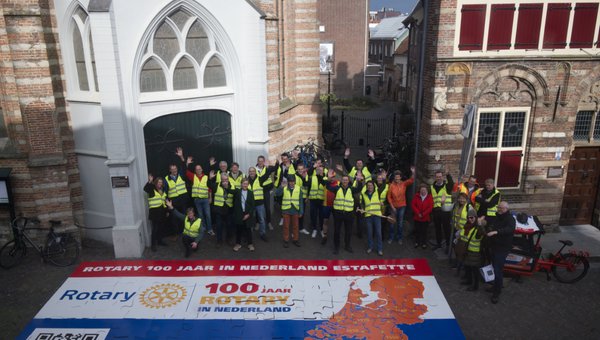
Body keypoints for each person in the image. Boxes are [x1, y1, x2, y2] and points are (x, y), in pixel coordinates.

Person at [325, 169, 363, 254]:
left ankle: (347, 246)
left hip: (349, 214)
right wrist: (329, 178)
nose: (345, 181)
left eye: (346, 180)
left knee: (348, 231)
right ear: (341, 181)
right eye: (343, 180)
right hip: (338, 214)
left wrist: (359, 180)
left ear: (348, 181)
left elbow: (359, 188)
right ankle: (336, 247)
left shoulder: (352, 189)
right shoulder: (336, 188)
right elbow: (327, 186)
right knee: (337, 231)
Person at [485, 201, 515, 304]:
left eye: (502, 208)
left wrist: (496, 232)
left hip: (502, 248)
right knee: (494, 267)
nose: (500, 209)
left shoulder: (510, 218)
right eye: (499, 207)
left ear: (506, 208)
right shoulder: (497, 217)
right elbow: (492, 226)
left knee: (498, 270)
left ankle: (496, 293)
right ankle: (496, 287)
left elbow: (509, 229)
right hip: (494, 246)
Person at [185, 154, 214, 237]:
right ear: (195, 170)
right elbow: (186, 172)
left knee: (208, 215)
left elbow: (209, 188)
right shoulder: (193, 177)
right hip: (197, 200)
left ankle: (210, 229)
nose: (198, 170)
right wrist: (187, 163)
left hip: (205, 199)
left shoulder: (206, 177)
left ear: (202, 169)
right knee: (200, 215)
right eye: (197, 169)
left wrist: (210, 197)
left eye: (199, 169)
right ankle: (203, 228)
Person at [386, 166, 415, 245]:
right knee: (392, 223)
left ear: (400, 177)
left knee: (400, 223)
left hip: (402, 206)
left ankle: (399, 238)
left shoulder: (403, 184)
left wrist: (413, 172)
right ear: (394, 178)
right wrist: (392, 206)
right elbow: (389, 196)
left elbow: (412, 180)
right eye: (396, 178)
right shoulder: (391, 185)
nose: (397, 179)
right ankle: (391, 237)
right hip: (393, 207)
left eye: (398, 178)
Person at [248, 163, 276, 242]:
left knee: (261, 219)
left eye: (253, 171)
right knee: (250, 218)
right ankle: (249, 234)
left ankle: (262, 233)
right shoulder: (246, 180)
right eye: (250, 171)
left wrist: (270, 166)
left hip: (259, 203)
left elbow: (267, 174)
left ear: (255, 172)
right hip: (251, 203)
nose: (252, 173)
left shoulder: (260, 179)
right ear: (248, 172)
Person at [459, 208, 485, 292]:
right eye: (469, 218)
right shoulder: (467, 225)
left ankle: (475, 286)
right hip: (467, 250)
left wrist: (480, 224)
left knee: (475, 270)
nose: (470, 219)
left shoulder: (478, 227)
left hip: (475, 252)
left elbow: (482, 233)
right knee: (467, 267)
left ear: (475, 217)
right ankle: (469, 281)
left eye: (472, 217)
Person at [166, 147, 189, 234]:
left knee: (184, 216)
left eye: (175, 169)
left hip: (183, 199)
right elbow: (165, 191)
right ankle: (176, 233)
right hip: (174, 201)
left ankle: (186, 231)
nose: (174, 170)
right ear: (170, 170)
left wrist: (181, 156)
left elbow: (184, 166)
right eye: (172, 169)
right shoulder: (166, 179)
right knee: (174, 217)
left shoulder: (181, 175)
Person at [276, 175, 304, 247]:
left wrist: (301, 211)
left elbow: (301, 201)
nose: (292, 183)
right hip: (286, 210)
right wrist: (281, 187)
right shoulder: (284, 187)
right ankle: (286, 240)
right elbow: (277, 194)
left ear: (295, 181)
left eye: (293, 181)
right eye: (290, 181)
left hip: (295, 210)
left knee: (295, 226)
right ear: (288, 182)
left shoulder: (298, 188)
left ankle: (295, 239)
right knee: (286, 226)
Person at [207, 171, 234, 246]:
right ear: (221, 180)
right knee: (219, 226)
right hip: (219, 210)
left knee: (229, 226)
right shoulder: (216, 185)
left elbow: (235, 196)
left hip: (229, 210)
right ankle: (219, 241)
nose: (225, 181)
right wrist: (210, 178)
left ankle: (229, 239)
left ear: (228, 179)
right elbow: (208, 184)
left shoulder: (232, 186)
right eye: (223, 180)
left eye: (226, 180)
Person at [430, 169, 454, 250]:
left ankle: (448, 245)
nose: (439, 178)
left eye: (440, 177)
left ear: (442, 177)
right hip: (436, 211)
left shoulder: (446, 186)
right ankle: (439, 243)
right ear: (435, 178)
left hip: (445, 211)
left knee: (447, 229)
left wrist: (448, 175)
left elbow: (451, 183)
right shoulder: (432, 187)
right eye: (437, 177)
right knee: (437, 228)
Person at [143, 174, 168, 251]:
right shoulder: (152, 190)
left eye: (161, 182)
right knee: (155, 229)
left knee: (161, 228)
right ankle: (153, 245)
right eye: (158, 182)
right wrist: (150, 181)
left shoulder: (163, 190)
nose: (160, 183)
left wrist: (167, 211)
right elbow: (145, 188)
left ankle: (160, 241)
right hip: (154, 212)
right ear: (156, 183)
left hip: (162, 211)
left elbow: (164, 201)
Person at [231, 178, 255, 252]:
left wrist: (248, 214)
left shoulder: (251, 193)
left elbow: (252, 205)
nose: (245, 185)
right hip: (239, 214)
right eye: (244, 183)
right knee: (239, 230)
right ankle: (238, 244)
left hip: (247, 214)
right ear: (241, 184)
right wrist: (225, 183)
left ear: (248, 185)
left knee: (248, 230)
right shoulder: (237, 192)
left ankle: (250, 244)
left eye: (246, 184)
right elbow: (229, 190)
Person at [360, 180, 384, 256]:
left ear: (373, 186)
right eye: (368, 186)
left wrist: (383, 179)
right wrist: (362, 209)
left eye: (371, 185)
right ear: (367, 187)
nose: (370, 187)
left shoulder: (378, 192)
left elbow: (383, 186)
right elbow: (362, 204)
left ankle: (380, 249)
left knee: (378, 233)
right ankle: (370, 247)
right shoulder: (364, 194)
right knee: (369, 233)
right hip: (368, 216)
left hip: (377, 215)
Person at [306, 159, 327, 239]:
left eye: (321, 170)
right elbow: (308, 184)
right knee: (313, 215)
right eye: (318, 170)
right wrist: (307, 196)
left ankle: (321, 229)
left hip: (322, 200)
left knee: (321, 215)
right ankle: (314, 229)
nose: (319, 171)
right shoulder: (313, 177)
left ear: (323, 171)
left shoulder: (325, 178)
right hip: (313, 199)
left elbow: (326, 185)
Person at [411, 184, 433, 249]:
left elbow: (430, 207)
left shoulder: (429, 197)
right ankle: (417, 242)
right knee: (417, 230)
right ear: (420, 190)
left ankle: (424, 243)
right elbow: (413, 205)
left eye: (424, 190)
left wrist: (423, 214)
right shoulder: (416, 196)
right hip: (417, 217)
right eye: (422, 190)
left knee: (424, 231)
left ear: (427, 190)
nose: (423, 191)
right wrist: (418, 213)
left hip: (425, 218)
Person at [256, 155, 275, 230]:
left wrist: (277, 163)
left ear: (264, 162)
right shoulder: (254, 169)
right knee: (258, 208)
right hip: (257, 192)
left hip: (266, 191)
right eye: (259, 161)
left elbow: (272, 178)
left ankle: (269, 222)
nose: (260, 162)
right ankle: (257, 223)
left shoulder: (267, 168)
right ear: (257, 161)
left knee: (267, 208)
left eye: (262, 161)